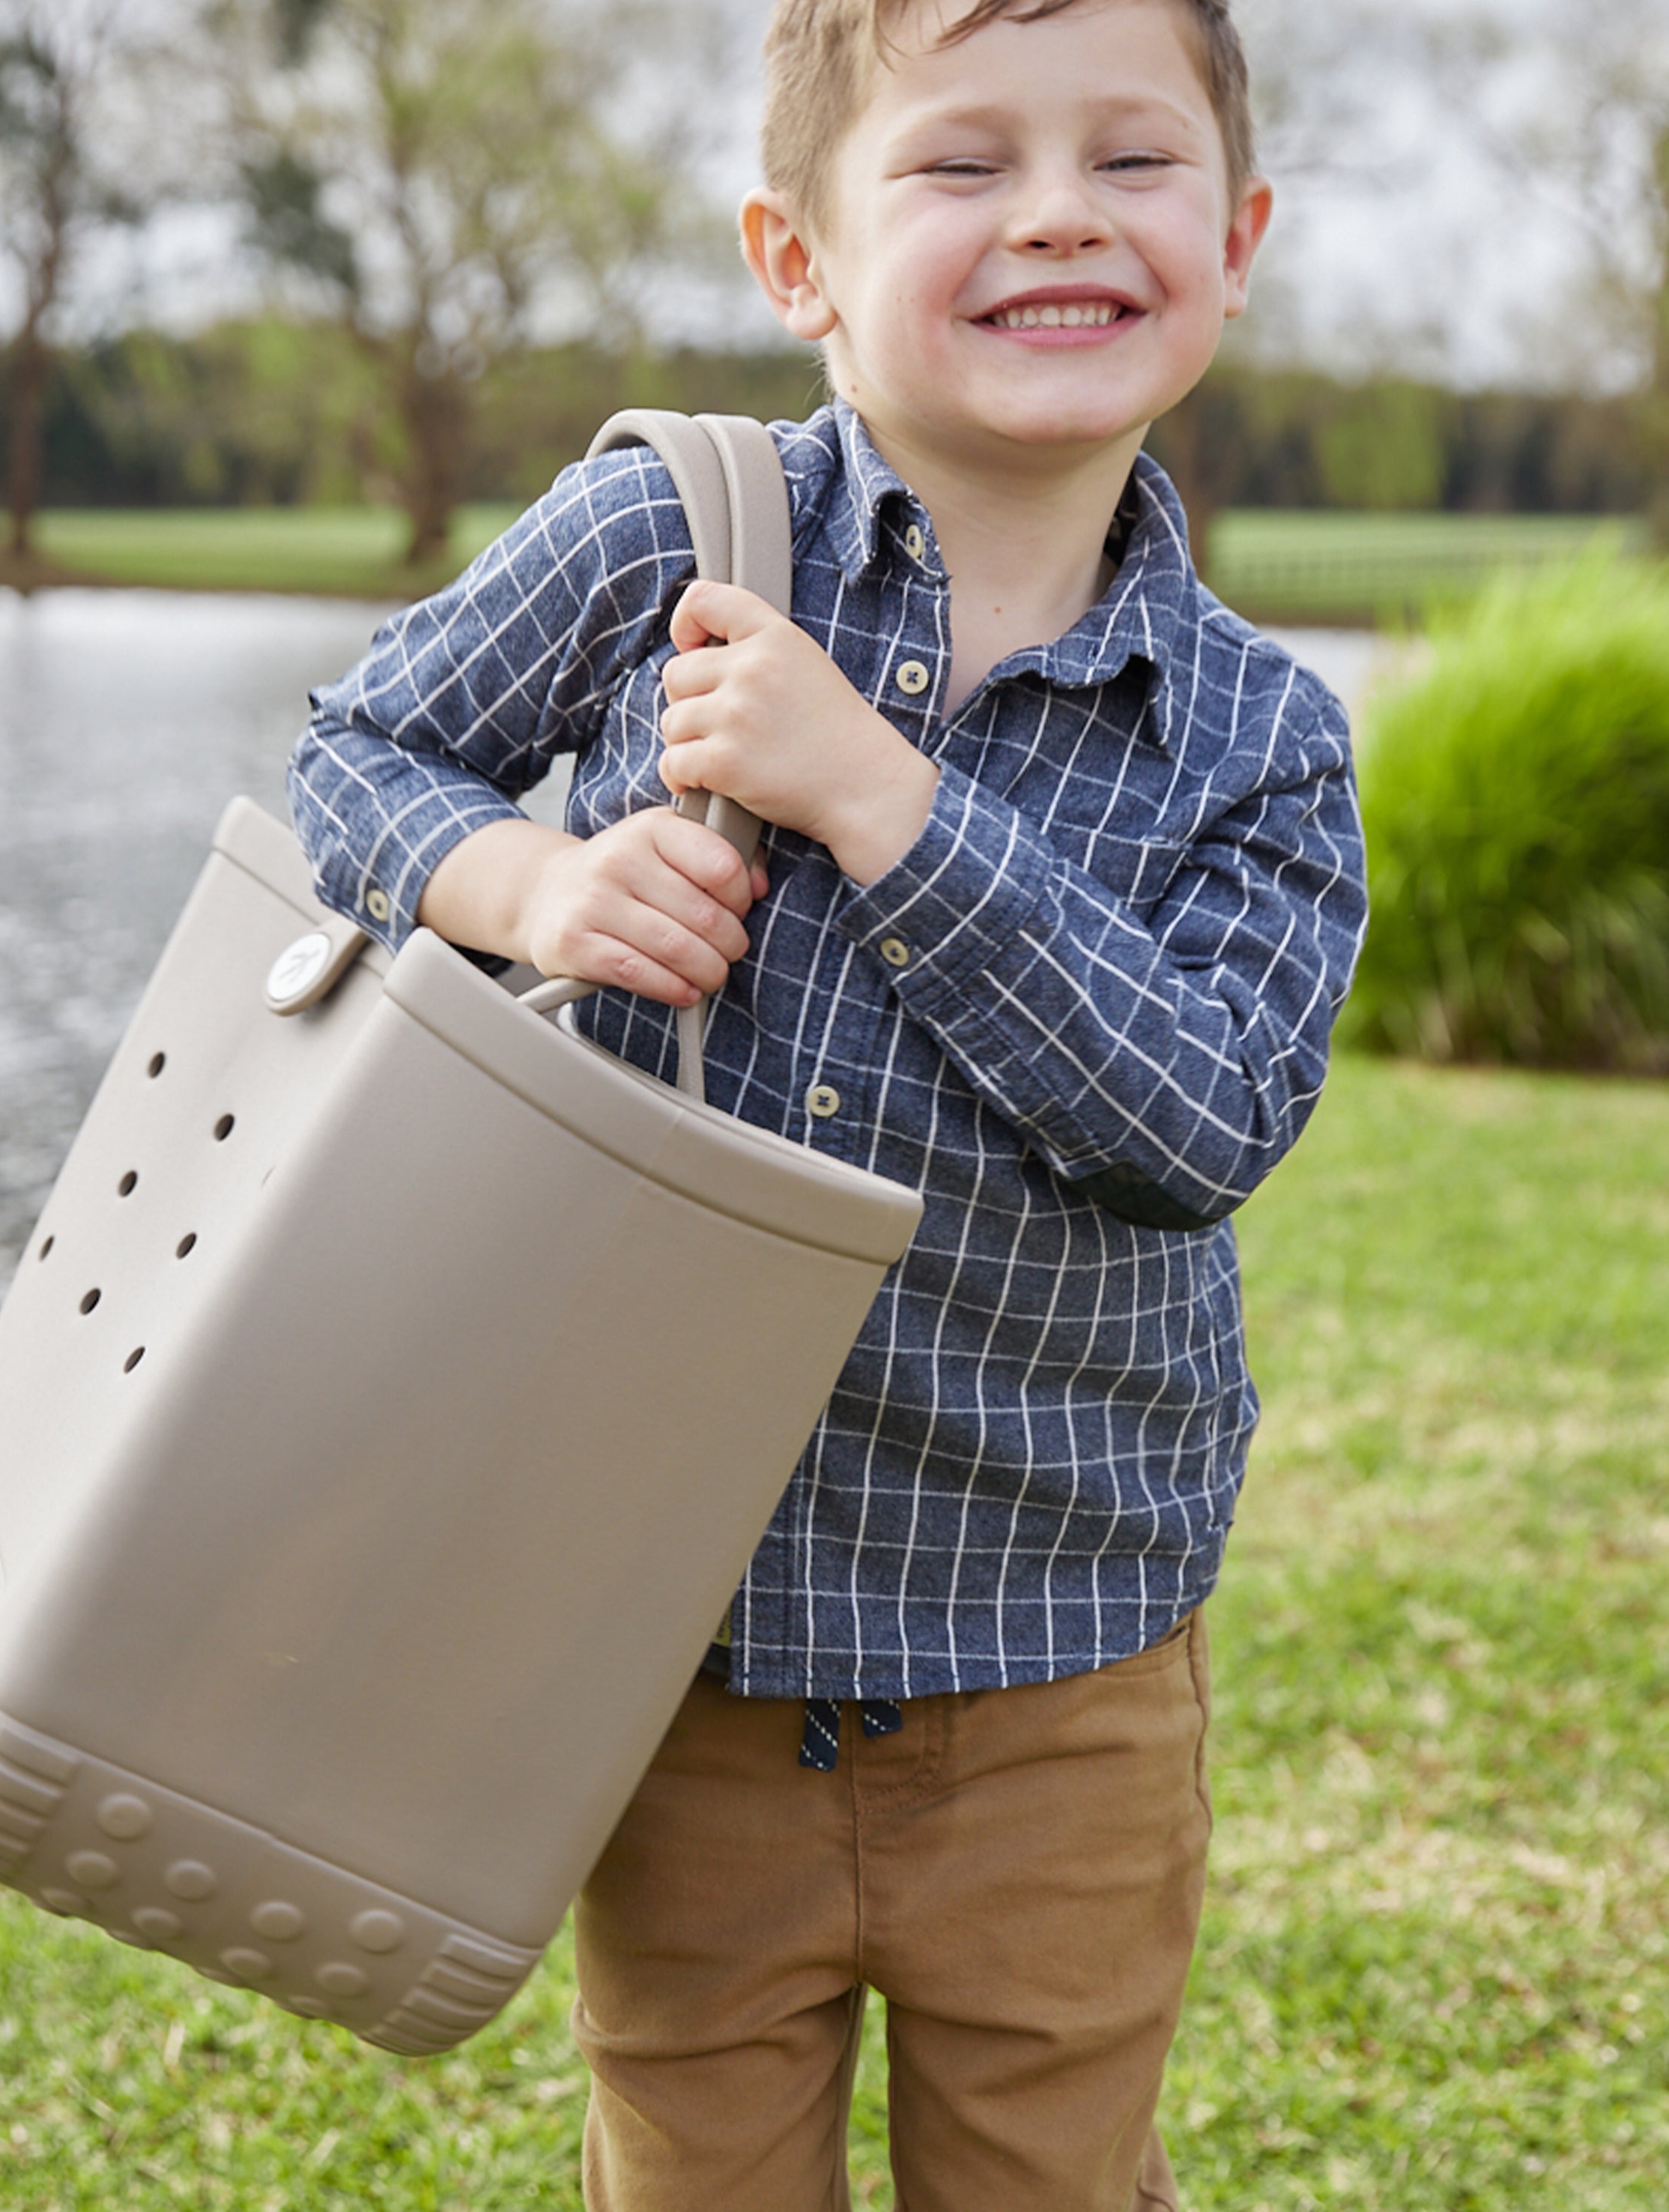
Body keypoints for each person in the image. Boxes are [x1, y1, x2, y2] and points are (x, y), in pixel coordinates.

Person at [288, 1, 1366, 2203]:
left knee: (1050, 2168)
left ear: (1233, 238)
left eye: (1128, 163)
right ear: (796, 257)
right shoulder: (664, 537)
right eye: (960, 164)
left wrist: (878, 799)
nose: (1054, 212)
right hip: (671, 1642)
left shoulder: (1260, 737)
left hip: (1057, 1665)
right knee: (689, 2162)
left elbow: (1201, 1119)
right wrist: (546, 886)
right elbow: (349, 759)